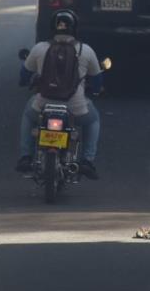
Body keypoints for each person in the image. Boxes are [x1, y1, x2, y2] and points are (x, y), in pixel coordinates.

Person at [16, 10, 103, 179]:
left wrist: (24, 82)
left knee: (28, 115)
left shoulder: (40, 48)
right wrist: (96, 89)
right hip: (75, 107)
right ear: (75, 29)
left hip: (43, 105)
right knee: (93, 120)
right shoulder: (86, 50)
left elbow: (24, 74)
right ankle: (87, 161)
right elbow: (97, 80)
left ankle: (26, 157)